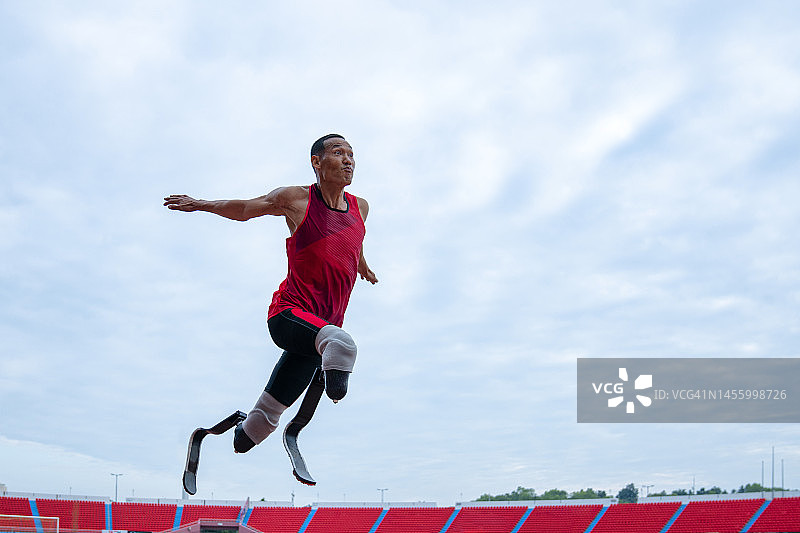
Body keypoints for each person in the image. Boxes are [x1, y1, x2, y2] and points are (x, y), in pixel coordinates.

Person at [164, 133, 377, 454]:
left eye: (351, 154)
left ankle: (239, 428)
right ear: (316, 162)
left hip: (318, 334)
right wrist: (201, 204)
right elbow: (246, 208)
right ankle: (330, 370)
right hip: (289, 316)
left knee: (258, 428)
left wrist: (362, 264)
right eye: (338, 152)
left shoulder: (360, 207)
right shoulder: (296, 199)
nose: (348, 160)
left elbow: (352, 241)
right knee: (341, 345)